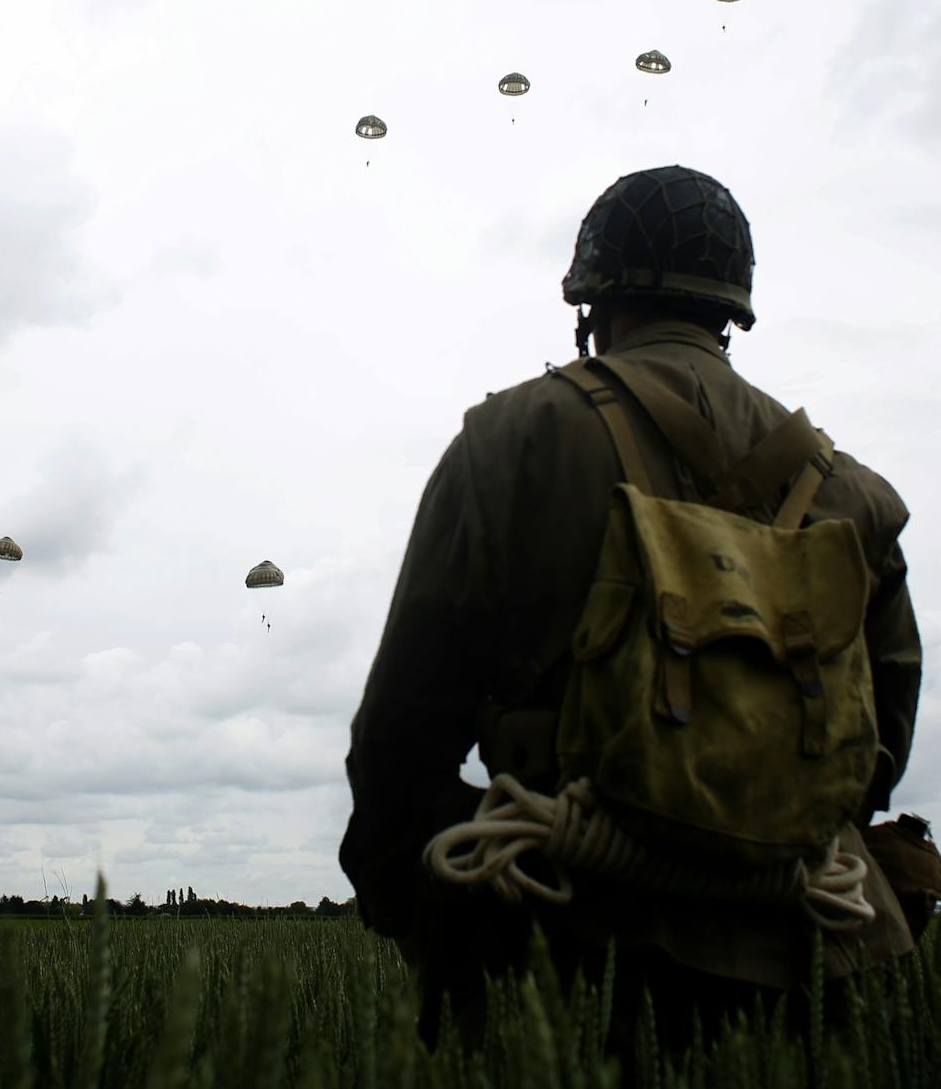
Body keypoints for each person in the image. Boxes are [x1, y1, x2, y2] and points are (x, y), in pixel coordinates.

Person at [340, 165, 923, 1053]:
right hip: (824, 971)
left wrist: (436, 934)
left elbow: (398, 743)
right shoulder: (860, 498)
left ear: (591, 301)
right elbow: (878, 757)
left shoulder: (514, 438)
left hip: (563, 957)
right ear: (731, 310)